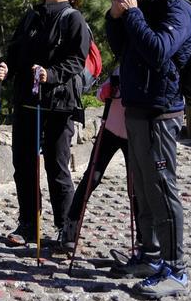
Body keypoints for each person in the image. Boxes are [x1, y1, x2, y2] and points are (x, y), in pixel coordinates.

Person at [104, 0, 191, 298]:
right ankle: (149, 255)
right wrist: (116, 20)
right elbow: (125, 50)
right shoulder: (141, 9)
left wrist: (131, 15)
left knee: (161, 186)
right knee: (142, 186)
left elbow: (159, 50)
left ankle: (176, 270)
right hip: (137, 108)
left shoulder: (178, 8)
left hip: (162, 112)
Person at [0, 0, 89, 249]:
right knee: (23, 165)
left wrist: (51, 73)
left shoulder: (74, 19)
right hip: (26, 101)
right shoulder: (31, 17)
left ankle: (65, 228)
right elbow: (15, 52)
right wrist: (5, 69)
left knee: (56, 166)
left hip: (58, 105)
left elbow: (76, 60)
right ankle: (28, 224)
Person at [55, 69, 133, 254]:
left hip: (134, 134)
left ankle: (143, 240)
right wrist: (105, 92)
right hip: (110, 130)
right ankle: (70, 228)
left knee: (136, 186)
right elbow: (100, 94)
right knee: (92, 177)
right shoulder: (122, 67)